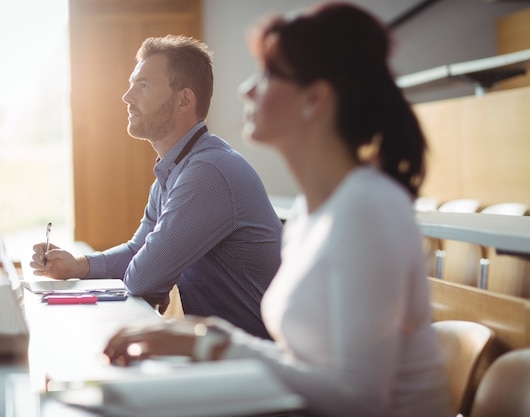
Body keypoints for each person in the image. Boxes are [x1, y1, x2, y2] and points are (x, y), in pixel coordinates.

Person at [102, 3, 453, 417]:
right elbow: (303, 367)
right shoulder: (310, 211)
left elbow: (361, 400)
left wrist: (209, 344)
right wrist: (208, 334)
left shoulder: (367, 209)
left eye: (268, 75)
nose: (246, 90)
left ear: (315, 98)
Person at [31, 35, 283, 340]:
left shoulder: (207, 172)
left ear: (184, 100)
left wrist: (158, 277)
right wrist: (77, 266)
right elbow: (139, 251)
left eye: (143, 86)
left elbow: (143, 278)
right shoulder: (177, 168)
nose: (126, 97)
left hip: (255, 363)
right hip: (224, 355)